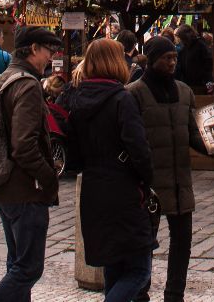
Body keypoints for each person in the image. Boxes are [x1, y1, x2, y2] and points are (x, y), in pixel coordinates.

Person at [127, 35, 214, 302]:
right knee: (144, 245)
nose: (172, 62)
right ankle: (140, 292)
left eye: (174, 58)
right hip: (148, 186)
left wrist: (213, 148)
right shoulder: (133, 93)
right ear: (153, 59)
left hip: (180, 182)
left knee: (183, 243)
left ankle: (174, 294)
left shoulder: (184, 91)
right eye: (167, 58)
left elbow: (193, 133)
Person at [63, 38, 156, 302]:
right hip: (124, 192)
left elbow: (73, 155)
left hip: (93, 190)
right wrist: (147, 180)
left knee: (114, 267)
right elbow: (139, 149)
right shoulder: (121, 99)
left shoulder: (75, 97)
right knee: (139, 271)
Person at [0, 26, 64, 302]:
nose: (50, 58)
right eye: (48, 51)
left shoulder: (2, 79)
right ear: (33, 49)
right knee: (28, 268)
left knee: (16, 263)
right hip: (25, 190)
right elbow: (24, 145)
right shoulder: (28, 85)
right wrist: (49, 176)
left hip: (2, 185)